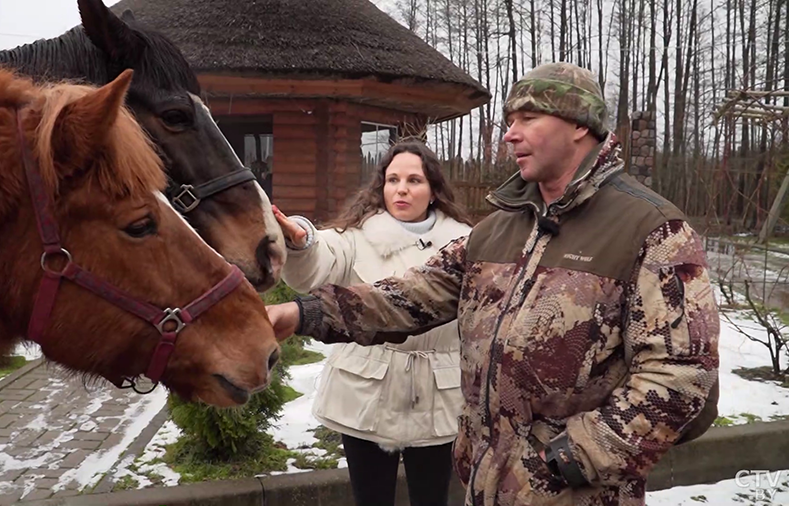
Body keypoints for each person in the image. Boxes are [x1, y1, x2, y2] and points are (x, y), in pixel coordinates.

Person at [267, 62, 720, 506]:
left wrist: (567, 461)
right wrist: (305, 313)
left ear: (579, 125)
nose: (510, 133)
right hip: (484, 487)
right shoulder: (498, 230)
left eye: (528, 118)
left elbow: (681, 377)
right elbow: (410, 297)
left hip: (574, 493)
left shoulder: (651, 229)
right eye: (509, 120)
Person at [271, 139, 475, 506]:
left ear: (433, 191)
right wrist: (300, 240)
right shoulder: (355, 236)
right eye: (393, 179)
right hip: (365, 391)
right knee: (371, 499)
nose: (401, 189)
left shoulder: (465, 243)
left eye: (414, 180)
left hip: (438, 394)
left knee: (432, 498)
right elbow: (316, 261)